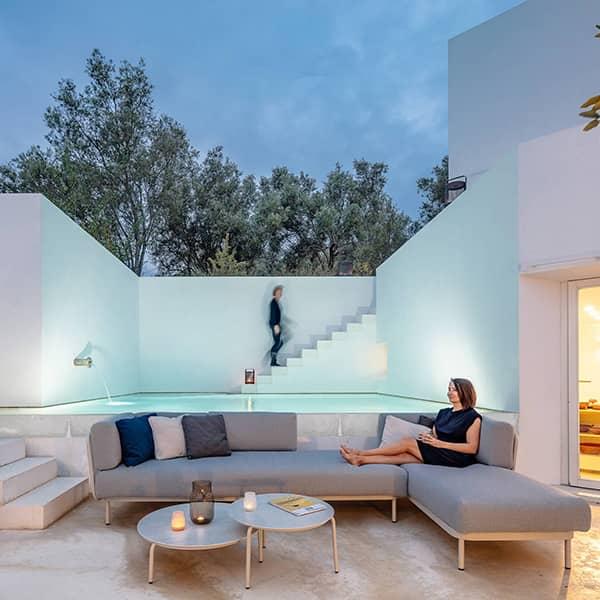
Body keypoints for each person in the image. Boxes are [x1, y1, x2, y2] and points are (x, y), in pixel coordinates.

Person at [340, 378, 482, 467]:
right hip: (439, 450)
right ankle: (360, 460)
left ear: (465, 392)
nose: (450, 392)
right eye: (449, 389)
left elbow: (471, 448)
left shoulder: (472, 417)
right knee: (405, 457)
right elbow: (436, 434)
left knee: (408, 442)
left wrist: (440, 444)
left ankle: (361, 452)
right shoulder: (443, 412)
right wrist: (430, 438)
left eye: (454, 390)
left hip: (456, 457)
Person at [269, 286, 284, 367]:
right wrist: (275, 326)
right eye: (278, 292)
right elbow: (273, 315)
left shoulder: (276, 302)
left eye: (281, 293)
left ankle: (273, 360)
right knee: (278, 342)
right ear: (274, 293)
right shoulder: (273, 303)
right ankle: (273, 360)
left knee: (279, 342)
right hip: (275, 325)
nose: (280, 294)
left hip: (276, 325)